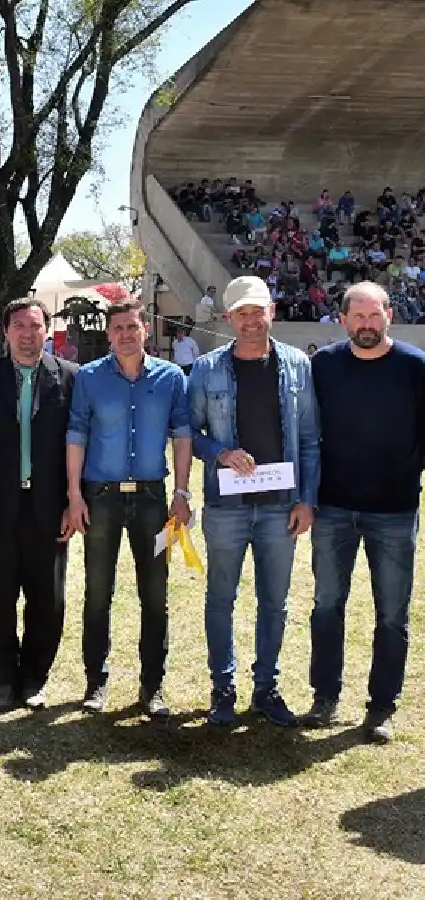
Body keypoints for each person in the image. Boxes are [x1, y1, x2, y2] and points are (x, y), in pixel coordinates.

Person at [187, 275, 319, 727]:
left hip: (281, 506)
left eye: (257, 311)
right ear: (228, 318)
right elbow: (189, 433)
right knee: (220, 598)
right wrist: (220, 452)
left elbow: (309, 440)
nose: (250, 321)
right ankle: (222, 688)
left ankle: (266, 688)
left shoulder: (298, 365)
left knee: (274, 602)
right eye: (241, 313)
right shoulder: (206, 369)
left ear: (271, 312)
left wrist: (306, 500)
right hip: (227, 507)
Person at [304, 282, 425, 743]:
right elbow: (306, 428)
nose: (367, 324)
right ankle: (325, 697)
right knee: (326, 606)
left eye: (375, 315)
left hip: (394, 510)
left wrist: (408, 470)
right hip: (334, 507)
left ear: (389, 316)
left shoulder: (415, 366)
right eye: (359, 316)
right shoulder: (324, 366)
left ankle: (381, 708)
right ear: (343, 320)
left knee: (392, 614)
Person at [67, 302, 193, 719]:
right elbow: (76, 434)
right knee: (97, 593)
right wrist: (74, 494)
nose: (125, 334)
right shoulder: (89, 377)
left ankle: (152, 686)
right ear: (109, 334)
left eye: (132, 327)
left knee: (155, 595)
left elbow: (182, 435)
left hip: (152, 500)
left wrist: (182, 492)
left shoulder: (171, 377)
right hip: (100, 498)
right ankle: (95, 682)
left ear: (146, 330)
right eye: (118, 328)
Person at [0, 299, 78, 711]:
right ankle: (3, 680)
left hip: (49, 508)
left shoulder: (71, 378)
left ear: (46, 330)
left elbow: (78, 443)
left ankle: (35, 678)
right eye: (19, 326)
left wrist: (73, 502)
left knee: (47, 598)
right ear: (6, 331)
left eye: (35, 326)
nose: (27, 334)